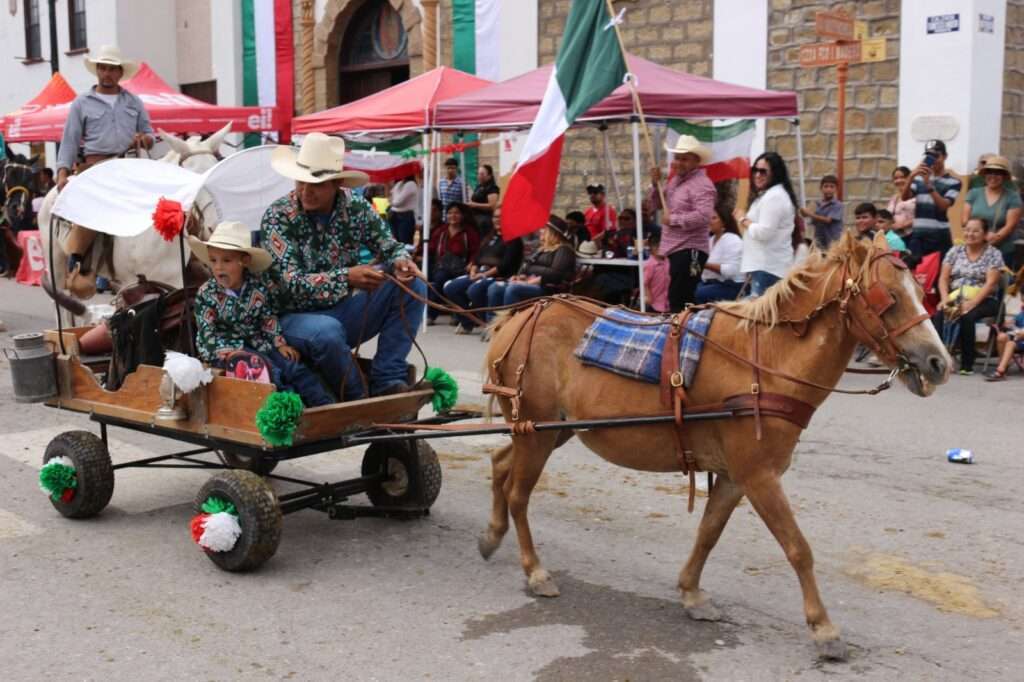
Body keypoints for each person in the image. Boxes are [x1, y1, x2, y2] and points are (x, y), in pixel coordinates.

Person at [260, 132, 427, 401]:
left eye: (316, 184)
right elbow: (289, 283)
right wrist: (346, 277)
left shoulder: (356, 207)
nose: (305, 190)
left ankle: (387, 378)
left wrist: (400, 260)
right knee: (326, 331)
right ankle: (357, 398)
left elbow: (388, 244)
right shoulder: (278, 216)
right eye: (301, 181)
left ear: (336, 184)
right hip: (289, 320)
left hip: (340, 312)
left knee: (413, 285)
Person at [190, 221, 334, 407]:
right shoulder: (206, 294)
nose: (218, 268)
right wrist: (224, 353)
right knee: (271, 372)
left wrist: (279, 343)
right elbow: (206, 332)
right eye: (214, 260)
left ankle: (324, 407)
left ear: (245, 262)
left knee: (294, 368)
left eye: (226, 261)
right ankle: (291, 411)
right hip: (229, 350)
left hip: (258, 343)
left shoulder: (257, 287)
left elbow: (267, 318)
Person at [56, 45, 154, 278]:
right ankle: (77, 260)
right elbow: (69, 140)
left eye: (112, 69)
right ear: (97, 71)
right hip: (96, 167)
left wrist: (145, 139)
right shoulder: (82, 103)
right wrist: (61, 172)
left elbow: (150, 134)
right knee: (91, 210)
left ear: (120, 73)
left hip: (131, 165)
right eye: (103, 68)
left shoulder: (134, 102)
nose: (107, 73)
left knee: (158, 205)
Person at [648, 134, 717, 311]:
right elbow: (655, 204)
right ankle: (680, 334)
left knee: (681, 298)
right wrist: (655, 186)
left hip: (691, 250)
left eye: (684, 159)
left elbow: (704, 216)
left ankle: (681, 335)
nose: (679, 162)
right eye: (677, 158)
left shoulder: (703, 185)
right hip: (676, 250)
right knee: (678, 298)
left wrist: (673, 220)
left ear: (696, 161)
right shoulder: (675, 181)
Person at [933, 217, 1005, 375]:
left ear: (985, 234)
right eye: (967, 230)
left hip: (985, 299)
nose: (970, 234)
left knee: (967, 316)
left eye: (976, 231)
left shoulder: (993, 254)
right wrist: (945, 299)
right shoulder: (955, 251)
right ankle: (939, 359)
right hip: (956, 297)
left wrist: (972, 303)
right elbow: (943, 278)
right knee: (939, 315)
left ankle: (967, 364)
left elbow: (990, 284)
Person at [734, 151, 798, 298]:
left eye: (763, 171)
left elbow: (764, 233)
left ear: (775, 173)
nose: (757, 175)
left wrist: (743, 219)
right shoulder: (770, 195)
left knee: (759, 319)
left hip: (768, 269)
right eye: (755, 170)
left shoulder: (774, 197)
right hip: (765, 267)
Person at [443, 216, 523, 332]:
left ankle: (487, 322)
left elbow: (504, 266)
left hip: (498, 276)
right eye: (495, 217)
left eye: (501, 217)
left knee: (474, 290)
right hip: (479, 273)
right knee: (450, 287)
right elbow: (477, 258)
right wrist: (473, 270)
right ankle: (469, 321)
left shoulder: (513, 240)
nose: (496, 219)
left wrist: (484, 275)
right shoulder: (490, 237)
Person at [487, 216, 576, 306]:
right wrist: (521, 276)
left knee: (513, 289)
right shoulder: (542, 249)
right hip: (530, 282)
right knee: (496, 287)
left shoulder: (564, 249)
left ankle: (511, 318)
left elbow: (556, 274)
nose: (540, 231)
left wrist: (529, 282)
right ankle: (493, 319)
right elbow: (527, 266)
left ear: (553, 233)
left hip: (548, 289)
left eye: (544, 228)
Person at [903, 140, 961, 260]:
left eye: (936, 156)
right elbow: (905, 197)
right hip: (918, 235)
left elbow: (944, 206)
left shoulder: (954, 182)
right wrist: (911, 176)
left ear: (945, 156)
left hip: (940, 236)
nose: (933, 160)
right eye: (929, 156)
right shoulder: (918, 178)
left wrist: (928, 185)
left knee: (938, 274)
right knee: (915, 273)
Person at [962, 154, 1022, 267]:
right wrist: (981, 236)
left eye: (998, 173)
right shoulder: (974, 193)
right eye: (990, 172)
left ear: (1004, 176)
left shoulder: (1012, 197)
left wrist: (993, 239)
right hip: (974, 249)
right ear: (985, 174)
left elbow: (1010, 226)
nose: (993, 176)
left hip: (1002, 251)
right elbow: (965, 220)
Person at [427, 202, 480, 324]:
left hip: (462, 268)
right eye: (450, 213)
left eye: (456, 213)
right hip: (442, 267)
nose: (453, 216)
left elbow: (476, 251)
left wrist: (472, 263)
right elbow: (430, 247)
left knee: (454, 281)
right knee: (440, 278)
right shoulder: (441, 231)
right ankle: (431, 314)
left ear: (462, 215)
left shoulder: (468, 233)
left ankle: (457, 314)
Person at [695, 206, 744, 303]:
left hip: (730, 285)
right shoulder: (711, 240)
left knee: (699, 293)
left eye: (714, 218)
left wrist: (705, 264)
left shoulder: (732, 239)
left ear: (724, 221)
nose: (709, 221)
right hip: (711, 283)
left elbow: (731, 271)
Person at [592, 208, 640, 304]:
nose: (622, 221)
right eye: (620, 218)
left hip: (628, 274)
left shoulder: (637, 234)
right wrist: (606, 232)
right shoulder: (613, 233)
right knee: (593, 277)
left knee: (600, 280)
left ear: (635, 221)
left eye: (627, 218)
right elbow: (595, 240)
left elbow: (634, 253)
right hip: (610, 269)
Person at [801, 174, 843, 251]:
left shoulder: (837, 205)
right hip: (819, 241)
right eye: (826, 186)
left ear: (836, 189)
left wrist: (809, 214)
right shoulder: (817, 204)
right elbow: (810, 218)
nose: (828, 189)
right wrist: (803, 212)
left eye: (831, 186)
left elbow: (828, 220)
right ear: (821, 188)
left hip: (833, 242)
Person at [465, 163, 500, 235]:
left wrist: (475, 205)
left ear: (489, 176)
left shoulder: (492, 188)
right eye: (478, 174)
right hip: (475, 219)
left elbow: (492, 206)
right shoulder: (479, 186)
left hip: (485, 221)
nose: (479, 176)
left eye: (482, 174)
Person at [642, 231, 670, 313]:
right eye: (657, 247)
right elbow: (645, 283)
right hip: (655, 301)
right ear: (651, 249)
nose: (660, 250)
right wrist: (648, 296)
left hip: (668, 300)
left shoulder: (668, 261)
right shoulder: (650, 264)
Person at [388, 174, 419, 244]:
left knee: (404, 242)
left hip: (405, 216)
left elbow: (398, 202)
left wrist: (390, 201)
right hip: (394, 215)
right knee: (396, 242)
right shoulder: (399, 183)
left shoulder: (411, 184)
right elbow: (391, 195)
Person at [886, 166, 916, 239]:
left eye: (903, 177)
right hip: (896, 237)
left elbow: (922, 216)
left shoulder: (916, 195)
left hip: (912, 235)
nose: (899, 180)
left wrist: (903, 225)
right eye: (896, 178)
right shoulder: (894, 198)